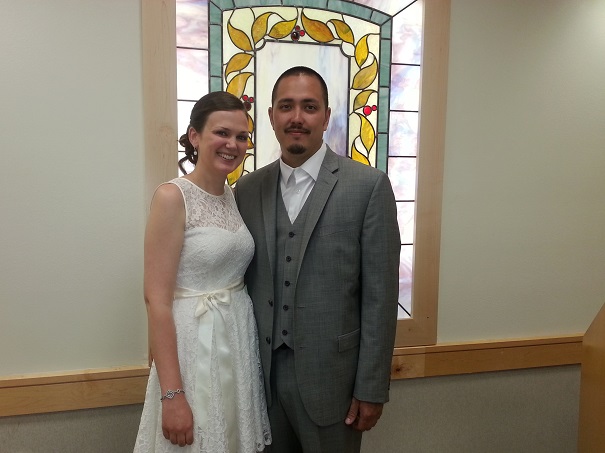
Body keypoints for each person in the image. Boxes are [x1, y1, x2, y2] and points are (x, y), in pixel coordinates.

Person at [235, 66, 400, 453]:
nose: (297, 117)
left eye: (309, 107)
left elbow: (380, 297)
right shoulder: (247, 189)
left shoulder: (368, 186)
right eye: (286, 106)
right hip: (261, 382)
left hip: (334, 384)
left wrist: (372, 388)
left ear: (326, 117)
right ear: (271, 116)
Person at [134, 91, 271, 453]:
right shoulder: (172, 197)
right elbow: (156, 300)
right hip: (192, 347)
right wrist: (172, 395)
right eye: (222, 133)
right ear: (195, 136)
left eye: (241, 136)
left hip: (236, 339)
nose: (233, 144)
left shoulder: (234, 195)